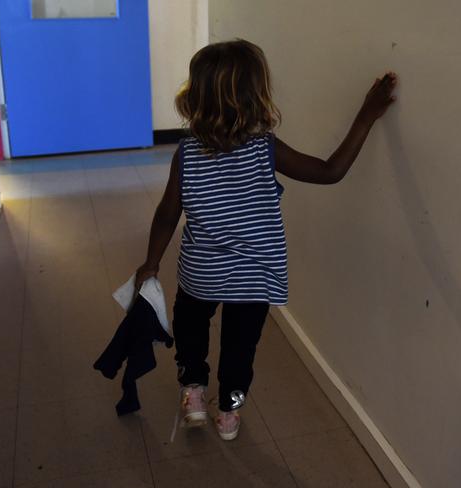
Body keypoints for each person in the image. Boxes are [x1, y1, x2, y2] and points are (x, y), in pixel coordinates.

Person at [133, 39, 397, 441]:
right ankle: (230, 411)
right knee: (241, 350)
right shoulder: (265, 150)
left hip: (200, 273)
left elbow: (169, 212)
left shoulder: (185, 154)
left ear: (196, 98)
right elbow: (330, 171)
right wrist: (366, 116)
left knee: (190, 330)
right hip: (253, 280)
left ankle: (193, 389)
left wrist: (150, 262)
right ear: (254, 96)